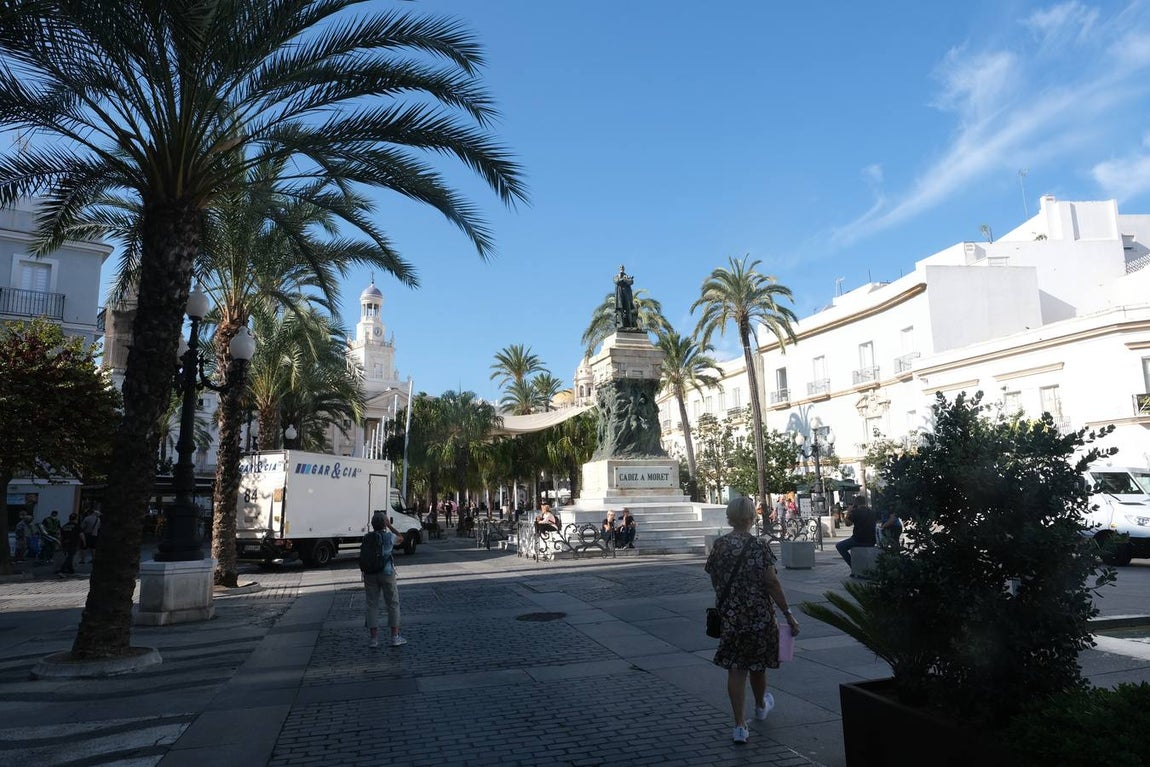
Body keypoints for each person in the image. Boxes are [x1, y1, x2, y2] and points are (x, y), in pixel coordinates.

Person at [705, 497, 801, 744]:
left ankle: (739, 726)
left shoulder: (720, 545)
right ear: (751, 517)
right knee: (758, 665)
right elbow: (772, 582)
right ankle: (760, 706)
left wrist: (728, 599)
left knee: (736, 669)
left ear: (730, 516)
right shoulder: (759, 546)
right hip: (759, 614)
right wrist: (788, 613)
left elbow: (715, 578)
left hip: (731, 615)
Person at [363, 512, 407, 648]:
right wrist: (390, 526)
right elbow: (402, 538)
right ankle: (394, 636)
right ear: (384, 523)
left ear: (372, 524)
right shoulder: (389, 537)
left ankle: (373, 639)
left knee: (372, 605)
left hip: (369, 574)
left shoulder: (367, 538)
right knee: (393, 603)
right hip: (387, 572)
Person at [835, 494, 877, 567]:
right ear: (865, 502)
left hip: (858, 539)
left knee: (840, 546)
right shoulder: (872, 512)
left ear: (856, 503)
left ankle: (853, 566)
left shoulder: (856, 512)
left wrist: (848, 512)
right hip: (871, 540)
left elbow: (848, 524)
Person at [57, 512, 80, 576]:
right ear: (75, 519)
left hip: (65, 543)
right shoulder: (77, 526)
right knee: (70, 556)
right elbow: (81, 535)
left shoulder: (64, 526)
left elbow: (60, 536)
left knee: (69, 556)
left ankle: (70, 569)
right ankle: (63, 568)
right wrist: (84, 542)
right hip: (73, 543)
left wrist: (60, 543)